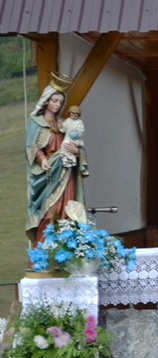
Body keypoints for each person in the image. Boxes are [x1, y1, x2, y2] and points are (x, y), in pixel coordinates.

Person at [26, 72, 88, 245]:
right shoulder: (36, 122)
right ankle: (44, 250)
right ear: (46, 100)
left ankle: (66, 248)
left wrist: (77, 151)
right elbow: (31, 146)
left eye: (60, 102)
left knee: (67, 209)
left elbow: (77, 143)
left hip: (66, 170)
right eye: (54, 100)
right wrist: (41, 159)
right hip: (48, 172)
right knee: (49, 211)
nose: (57, 104)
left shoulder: (64, 123)